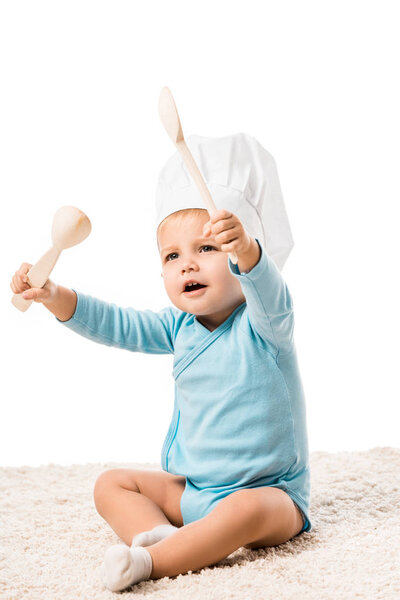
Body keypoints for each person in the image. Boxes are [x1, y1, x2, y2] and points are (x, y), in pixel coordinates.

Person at [10, 133, 312, 592]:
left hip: (270, 497)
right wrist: (54, 296)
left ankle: (152, 562)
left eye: (206, 249)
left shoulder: (265, 323)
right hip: (195, 491)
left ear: (238, 253)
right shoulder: (179, 327)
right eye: (173, 256)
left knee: (244, 512)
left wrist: (248, 251)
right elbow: (116, 324)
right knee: (111, 484)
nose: (187, 266)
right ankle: (165, 539)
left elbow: (268, 288)